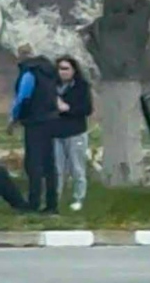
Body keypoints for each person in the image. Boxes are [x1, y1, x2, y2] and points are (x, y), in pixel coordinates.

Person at [7, 44, 60, 214]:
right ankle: (52, 204)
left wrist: (14, 119)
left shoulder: (29, 72)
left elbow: (23, 97)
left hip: (34, 122)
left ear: (20, 56)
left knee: (34, 164)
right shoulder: (49, 71)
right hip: (51, 120)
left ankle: (33, 203)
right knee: (49, 164)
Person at [54, 55, 93, 211]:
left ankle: (79, 198)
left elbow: (87, 109)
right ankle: (54, 198)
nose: (62, 72)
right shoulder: (52, 87)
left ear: (73, 70)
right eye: (59, 69)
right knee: (57, 169)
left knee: (77, 168)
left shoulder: (81, 86)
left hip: (75, 132)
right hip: (56, 133)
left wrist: (68, 108)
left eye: (66, 69)